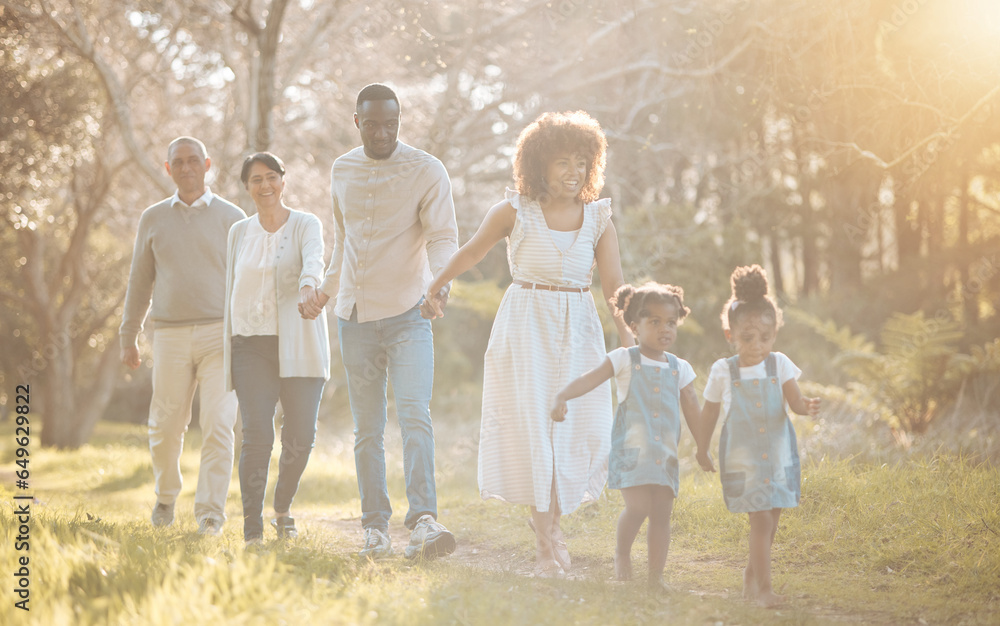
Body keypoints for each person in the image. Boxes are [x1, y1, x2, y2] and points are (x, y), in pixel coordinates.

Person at [423, 110, 633, 578]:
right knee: (536, 430)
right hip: (525, 328)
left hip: (579, 331)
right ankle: (545, 541)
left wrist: (629, 347)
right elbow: (472, 250)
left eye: (581, 161)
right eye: (562, 162)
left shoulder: (599, 218)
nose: (573, 171)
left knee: (580, 427)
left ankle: (553, 524)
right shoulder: (514, 210)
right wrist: (436, 285)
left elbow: (616, 289)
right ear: (539, 164)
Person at [306, 83, 458, 560]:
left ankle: (424, 523)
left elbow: (442, 237)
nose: (381, 133)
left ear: (399, 120)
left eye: (390, 124)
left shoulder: (427, 170)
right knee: (367, 429)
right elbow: (342, 246)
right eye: (371, 124)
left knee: (415, 416)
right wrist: (322, 294)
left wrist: (440, 285)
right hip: (353, 316)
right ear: (357, 122)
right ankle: (375, 528)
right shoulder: (343, 169)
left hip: (410, 313)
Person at [120, 136, 245, 536]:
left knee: (218, 424)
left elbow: (247, 282)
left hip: (220, 337)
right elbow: (140, 280)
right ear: (168, 167)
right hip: (169, 336)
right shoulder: (153, 218)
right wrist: (129, 334)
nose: (187, 167)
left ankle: (210, 513)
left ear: (208, 164)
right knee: (165, 426)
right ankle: (166, 496)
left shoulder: (233, 217)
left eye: (194, 160)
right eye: (179, 161)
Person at [550, 282, 700, 590]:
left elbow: (694, 410)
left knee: (661, 513)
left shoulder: (680, 368)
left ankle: (655, 578)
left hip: (665, 456)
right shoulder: (624, 359)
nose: (664, 329)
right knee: (638, 508)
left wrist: (705, 447)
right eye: (654, 321)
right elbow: (589, 379)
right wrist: (562, 395)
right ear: (634, 325)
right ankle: (622, 553)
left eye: (670, 322)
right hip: (630, 454)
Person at [695, 265, 821, 607]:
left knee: (770, 521)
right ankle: (764, 592)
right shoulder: (724, 370)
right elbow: (709, 412)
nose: (757, 345)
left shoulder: (779, 364)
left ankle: (752, 577)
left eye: (765, 337)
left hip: (777, 455)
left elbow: (793, 400)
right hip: (744, 459)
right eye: (747, 338)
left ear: (775, 333)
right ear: (730, 334)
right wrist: (701, 448)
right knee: (761, 519)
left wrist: (805, 405)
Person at [223, 152, 330, 546]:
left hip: (299, 339)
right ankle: (252, 528)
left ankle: (282, 508)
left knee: (301, 437)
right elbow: (230, 288)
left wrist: (308, 286)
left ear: (283, 181)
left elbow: (314, 261)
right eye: (256, 180)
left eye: (271, 177)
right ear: (247, 187)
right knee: (256, 435)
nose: (265, 185)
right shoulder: (238, 232)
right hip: (251, 344)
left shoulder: (306, 224)